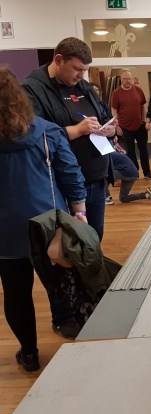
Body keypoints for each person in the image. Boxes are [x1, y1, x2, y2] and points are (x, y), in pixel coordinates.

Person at [0, 67, 87, 370]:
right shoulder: (47, 131)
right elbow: (71, 174)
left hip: (5, 231)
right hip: (49, 223)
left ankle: (29, 353)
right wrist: (80, 213)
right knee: (60, 281)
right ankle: (67, 326)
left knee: (16, 292)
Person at [23, 37, 116, 242]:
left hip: (96, 178)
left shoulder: (83, 86)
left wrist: (109, 130)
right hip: (62, 184)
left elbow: (102, 115)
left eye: (84, 70)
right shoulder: (32, 89)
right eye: (77, 69)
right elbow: (34, 137)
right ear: (59, 60)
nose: (81, 75)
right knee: (68, 245)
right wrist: (76, 130)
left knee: (93, 239)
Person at [111, 70, 151, 179]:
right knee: (130, 151)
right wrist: (117, 126)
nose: (128, 81)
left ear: (132, 79)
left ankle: (147, 173)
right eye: (125, 79)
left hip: (140, 125)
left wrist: (144, 121)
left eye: (129, 78)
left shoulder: (138, 90)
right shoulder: (116, 92)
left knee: (144, 150)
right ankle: (135, 173)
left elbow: (143, 106)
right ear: (121, 80)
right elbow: (114, 110)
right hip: (124, 127)